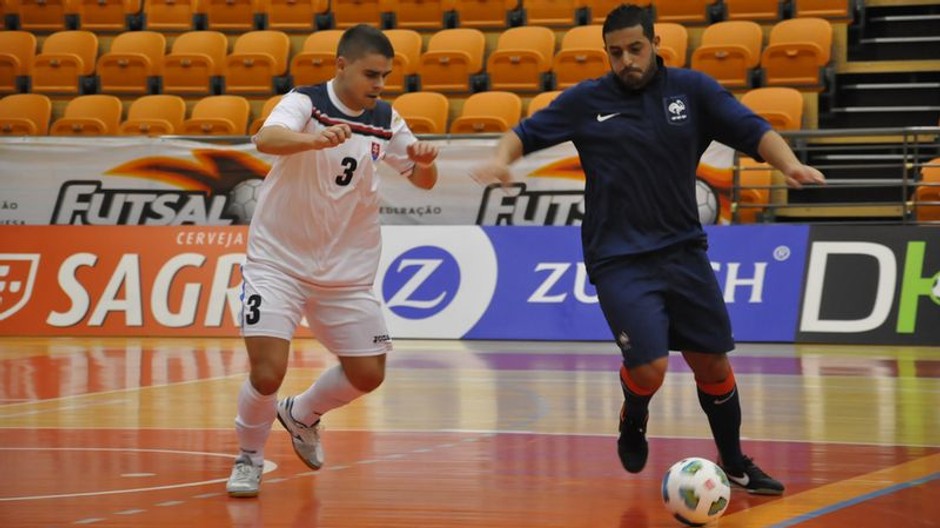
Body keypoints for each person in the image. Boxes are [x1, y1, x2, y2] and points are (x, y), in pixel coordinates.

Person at [471, 4, 825, 496]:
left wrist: (788, 165)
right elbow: (522, 134)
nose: (626, 61)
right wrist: (499, 159)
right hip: (618, 258)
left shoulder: (693, 91)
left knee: (713, 366)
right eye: (615, 53)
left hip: (683, 250)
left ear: (656, 44)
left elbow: (753, 129)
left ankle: (734, 462)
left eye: (635, 49)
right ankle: (634, 415)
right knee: (650, 367)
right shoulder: (587, 100)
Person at [226, 24, 439, 498]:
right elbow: (266, 138)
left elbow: (424, 180)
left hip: (346, 272)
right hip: (279, 263)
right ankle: (249, 457)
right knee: (267, 372)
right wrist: (313, 140)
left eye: (385, 76)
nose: (379, 84)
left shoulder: (386, 117)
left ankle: (301, 413)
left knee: (368, 374)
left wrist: (425, 161)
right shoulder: (306, 101)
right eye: (371, 74)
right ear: (341, 66)